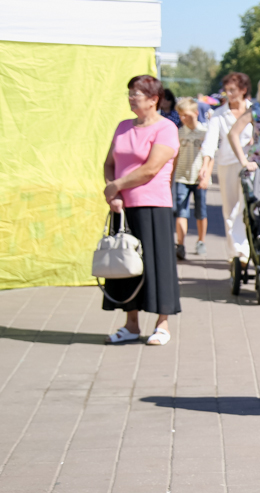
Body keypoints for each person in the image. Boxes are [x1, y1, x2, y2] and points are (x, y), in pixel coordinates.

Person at [102, 75, 181, 347]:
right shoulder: (124, 127)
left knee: (157, 264)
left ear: (153, 99)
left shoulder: (166, 128)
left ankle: (162, 324)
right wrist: (114, 192)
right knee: (125, 264)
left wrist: (116, 186)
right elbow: (109, 163)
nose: (131, 97)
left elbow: (151, 168)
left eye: (136, 93)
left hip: (153, 203)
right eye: (130, 93)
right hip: (123, 207)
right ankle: (131, 324)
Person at [200, 72, 253, 265]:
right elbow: (210, 141)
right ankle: (236, 254)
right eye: (227, 90)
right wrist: (206, 165)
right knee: (230, 210)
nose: (229, 94)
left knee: (251, 207)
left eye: (233, 90)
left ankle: (251, 248)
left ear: (243, 90)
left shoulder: (254, 111)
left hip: (252, 164)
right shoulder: (219, 113)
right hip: (228, 164)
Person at [173, 97, 209, 260]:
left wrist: (206, 175)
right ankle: (180, 244)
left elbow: (210, 156)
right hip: (182, 176)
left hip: (199, 178)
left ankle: (201, 240)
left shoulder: (205, 132)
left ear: (195, 113)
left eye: (186, 115)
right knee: (181, 211)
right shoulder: (179, 132)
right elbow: (175, 156)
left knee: (201, 212)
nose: (183, 118)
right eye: (180, 115)